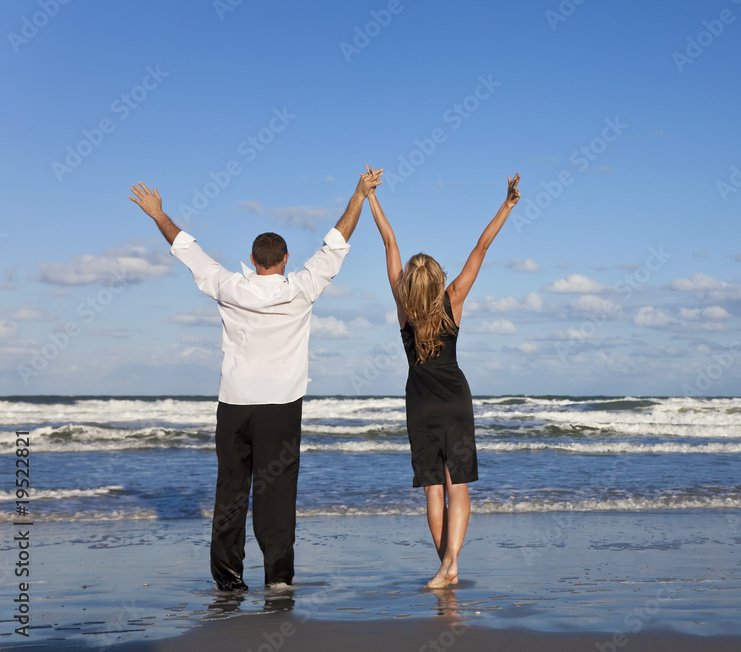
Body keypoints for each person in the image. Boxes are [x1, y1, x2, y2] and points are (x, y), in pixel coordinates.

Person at [129, 168, 382, 590]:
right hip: (280, 405)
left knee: (231, 489)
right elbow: (337, 241)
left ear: (252, 259)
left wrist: (158, 214)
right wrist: (359, 195)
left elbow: (188, 249)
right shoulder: (301, 288)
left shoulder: (230, 287)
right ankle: (278, 579)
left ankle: (228, 579)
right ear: (285, 259)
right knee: (276, 492)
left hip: (235, 403)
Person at [366, 166, 520, 588]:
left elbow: (389, 241)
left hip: (419, 403)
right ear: (438, 279)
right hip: (455, 400)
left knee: (434, 489)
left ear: (410, 285)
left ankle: (446, 567)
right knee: (458, 486)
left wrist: (371, 196)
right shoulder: (453, 299)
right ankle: (449, 564)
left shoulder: (404, 309)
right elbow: (481, 247)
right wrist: (507, 204)